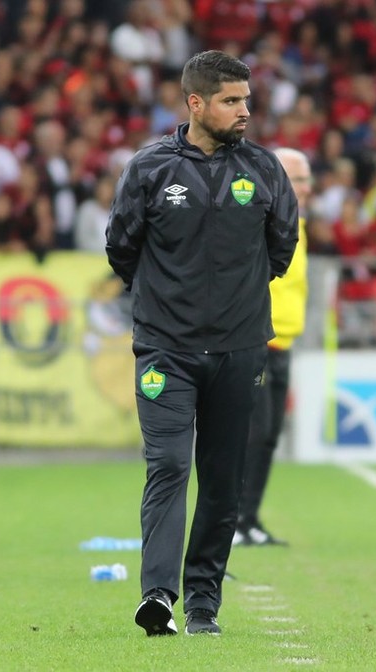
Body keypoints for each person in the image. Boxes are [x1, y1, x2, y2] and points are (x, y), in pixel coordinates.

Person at [105, 50, 298, 637]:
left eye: (246, 100)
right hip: (165, 350)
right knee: (167, 463)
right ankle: (158, 595)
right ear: (196, 103)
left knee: (222, 477)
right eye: (231, 101)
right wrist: (175, 303)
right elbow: (121, 250)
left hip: (240, 352)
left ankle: (203, 602)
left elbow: (280, 249)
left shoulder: (264, 170)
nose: (245, 111)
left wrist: (230, 303)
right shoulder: (149, 169)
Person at [234, 147, 311, 547]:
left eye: (305, 180)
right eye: (296, 179)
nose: (304, 188)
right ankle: (231, 522)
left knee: (267, 437)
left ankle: (249, 520)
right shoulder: (258, 220)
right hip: (257, 342)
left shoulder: (298, 224)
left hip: (284, 343)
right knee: (251, 433)